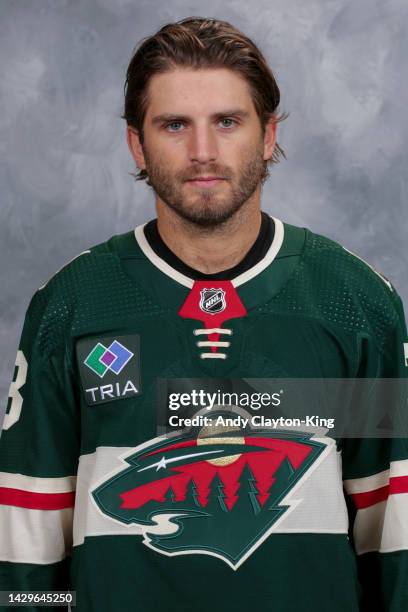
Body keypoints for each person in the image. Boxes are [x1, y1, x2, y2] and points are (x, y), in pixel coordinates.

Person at [0, 16, 407, 612]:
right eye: (174, 125)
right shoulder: (72, 305)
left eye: (226, 121)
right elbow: (27, 542)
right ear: (137, 143)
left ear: (267, 135)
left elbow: (394, 534)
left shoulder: (354, 303)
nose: (202, 152)